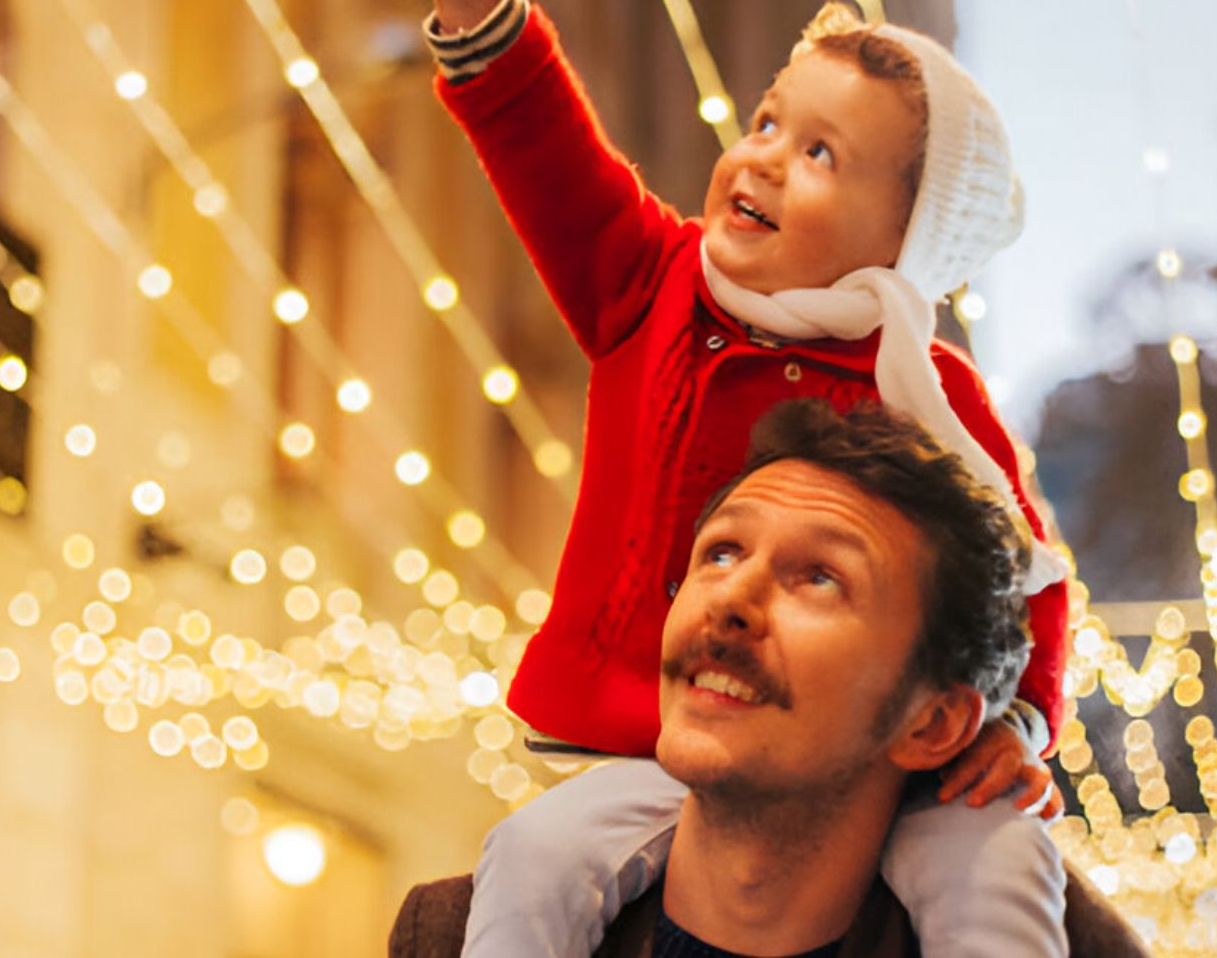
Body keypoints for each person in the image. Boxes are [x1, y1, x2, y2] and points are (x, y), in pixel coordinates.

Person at [337, 0, 1074, 954]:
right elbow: (550, 155)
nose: (765, 156)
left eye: (822, 154)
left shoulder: (924, 391)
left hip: (877, 756)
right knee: (537, 855)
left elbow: (1025, 575)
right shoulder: (653, 284)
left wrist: (1016, 722)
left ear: (909, 237)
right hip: (655, 737)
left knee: (997, 864)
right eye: (768, 120)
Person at [388, 401, 1147, 958]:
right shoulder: (454, 936)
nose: (732, 601)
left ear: (933, 723)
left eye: (820, 577)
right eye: (720, 553)